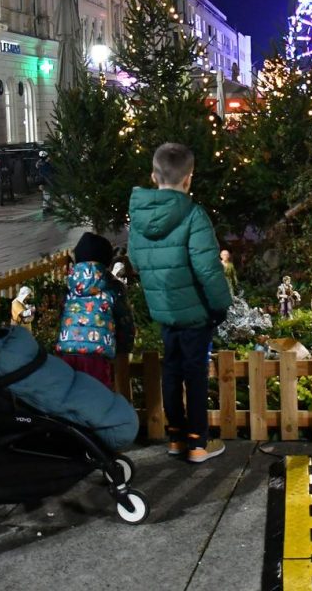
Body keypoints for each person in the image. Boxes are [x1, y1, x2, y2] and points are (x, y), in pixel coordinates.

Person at [128, 143, 232, 463]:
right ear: (189, 179)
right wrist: (220, 305)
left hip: (164, 310)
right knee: (195, 374)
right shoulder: (193, 214)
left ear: (153, 175)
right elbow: (207, 268)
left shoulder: (139, 217)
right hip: (196, 313)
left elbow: (135, 259)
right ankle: (198, 443)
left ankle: (175, 439)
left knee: (171, 371)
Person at [55, 232, 135, 388]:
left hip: (67, 351)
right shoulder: (113, 287)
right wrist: (125, 347)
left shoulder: (69, 285)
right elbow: (125, 320)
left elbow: (62, 315)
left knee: (70, 394)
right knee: (97, 395)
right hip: (97, 354)